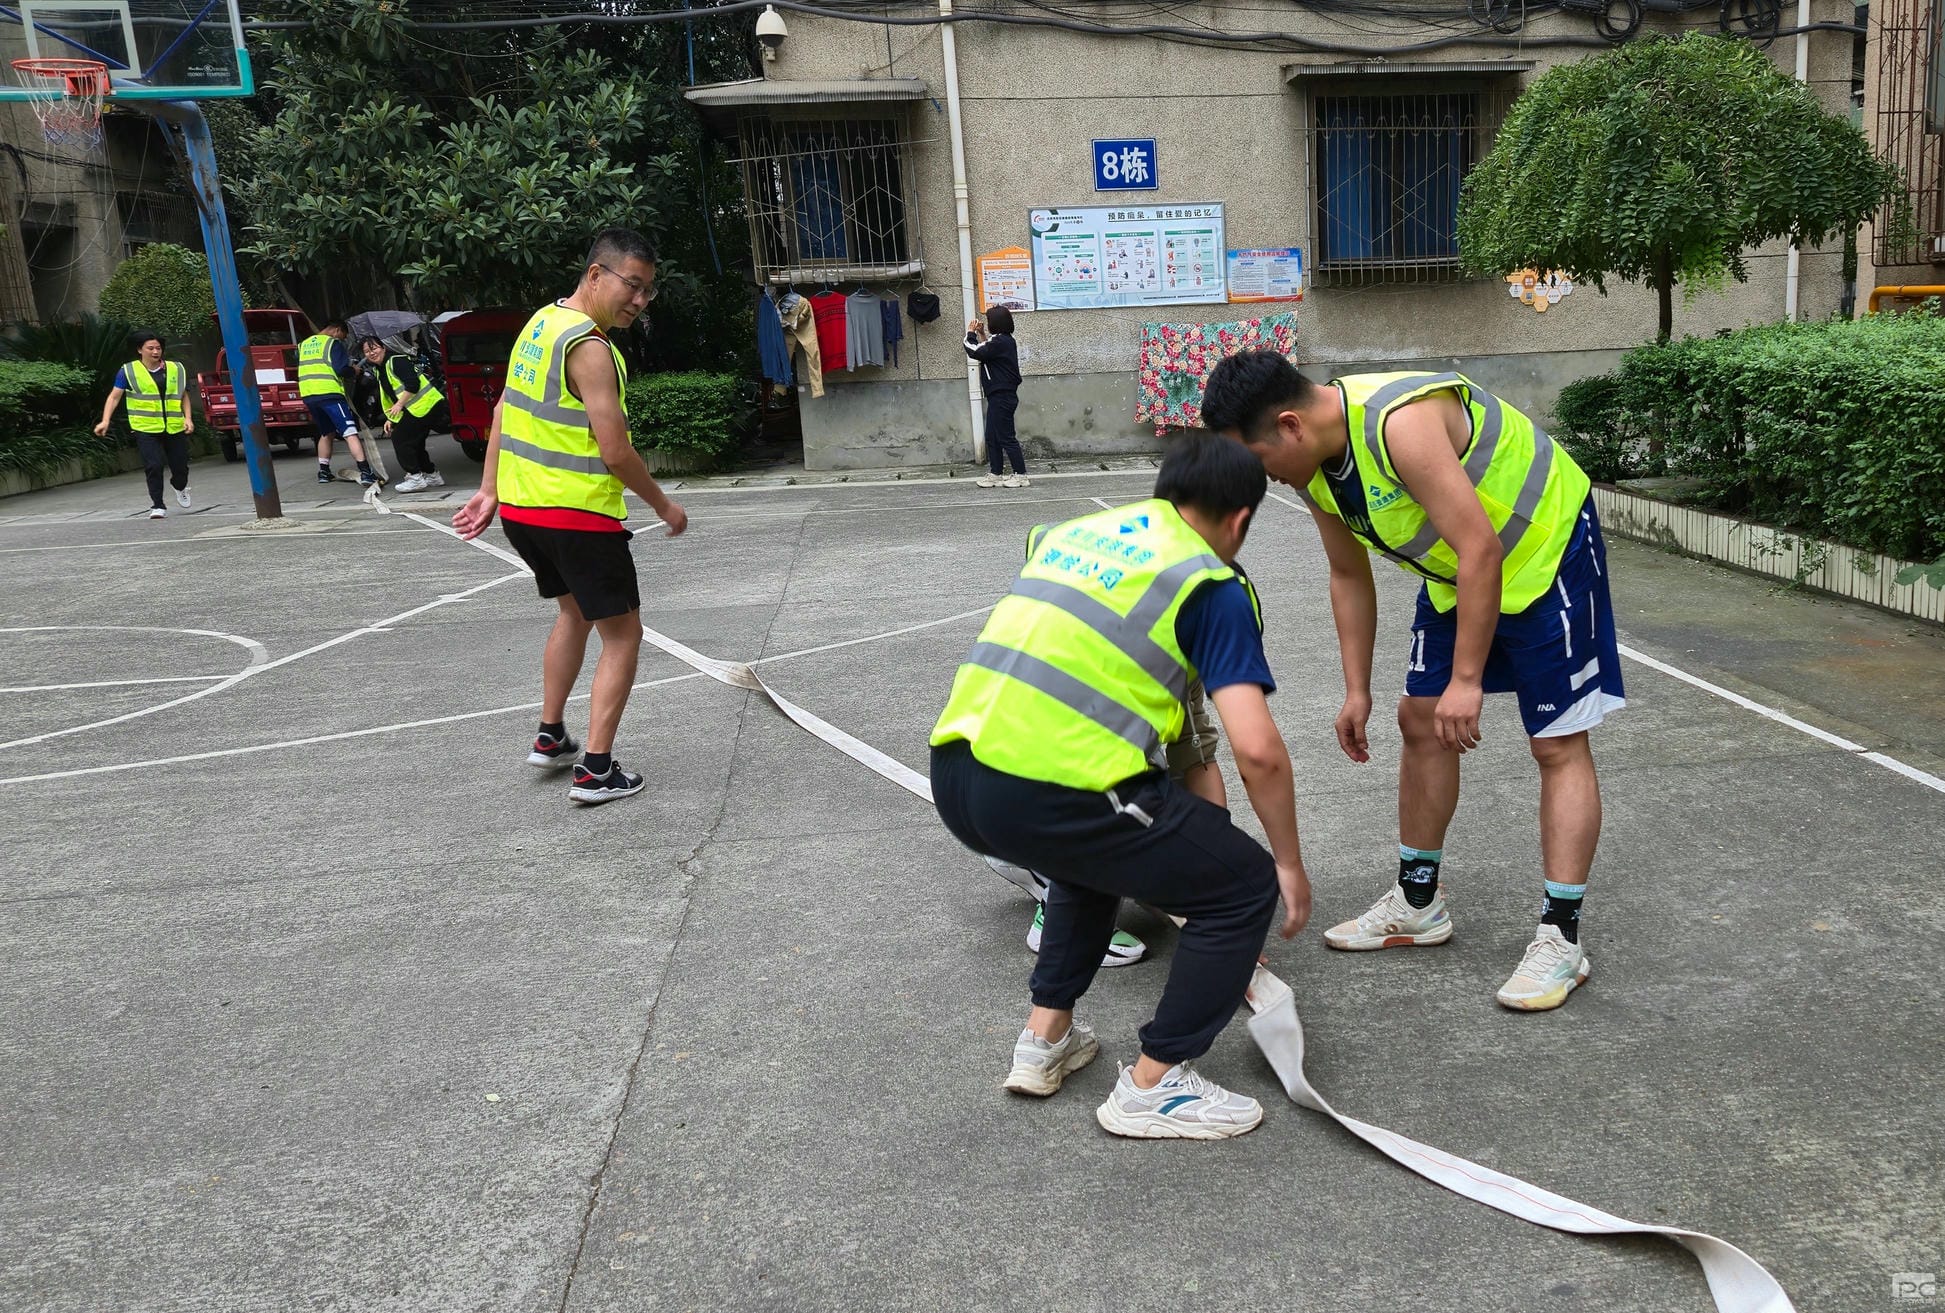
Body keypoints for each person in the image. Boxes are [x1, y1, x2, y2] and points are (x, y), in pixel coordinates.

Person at [1200, 352, 1624, 1012]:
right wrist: (1356, 689)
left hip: (1545, 551)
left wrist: (1465, 680)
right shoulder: (1315, 473)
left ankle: (1560, 936)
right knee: (1417, 719)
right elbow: (1347, 574)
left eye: (1255, 462)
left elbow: (1483, 546)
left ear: (1288, 425)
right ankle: (1418, 901)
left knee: (1555, 743)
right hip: (1461, 570)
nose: (1257, 482)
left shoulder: (1399, 422)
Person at [930, 435, 1313, 1140]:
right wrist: (1284, 864)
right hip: (1055, 788)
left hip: (958, 772)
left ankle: (1044, 1040)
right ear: (1240, 520)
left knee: (1095, 856)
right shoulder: (1210, 583)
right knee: (1244, 884)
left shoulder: (1069, 532)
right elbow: (1257, 749)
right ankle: (1155, 1082)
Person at [452, 228, 689, 806]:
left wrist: (490, 488)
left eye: (648, 290)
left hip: (525, 512)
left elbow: (506, 407)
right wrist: (663, 505)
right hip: (578, 516)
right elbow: (615, 451)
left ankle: (551, 733)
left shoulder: (541, 324)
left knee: (572, 613)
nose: (639, 299)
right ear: (595, 275)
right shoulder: (590, 347)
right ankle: (597, 769)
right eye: (632, 285)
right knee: (624, 634)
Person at [96, 331, 193, 519]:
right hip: (145, 427)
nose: (156, 351)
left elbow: (183, 396)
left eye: (158, 348)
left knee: (180, 467)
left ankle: (179, 486)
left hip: (174, 425)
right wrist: (105, 420)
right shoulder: (128, 371)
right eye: (151, 348)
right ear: (140, 350)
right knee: (153, 465)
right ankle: (157, 505)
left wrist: (187, 418)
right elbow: (115, 396)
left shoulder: (176, 369)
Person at [360, 336, 447, 493]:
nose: (371, 353)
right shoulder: (380, 369)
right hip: (420, 408)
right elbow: (391, 397)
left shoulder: (396, 361)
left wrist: (399, 405)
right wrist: (390, 419)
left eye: (374, 348)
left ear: (383, 347)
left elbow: (413, 384)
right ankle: (432, 475)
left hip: (427, 406)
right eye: (367, 351)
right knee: (415, 442)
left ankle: (415, 477)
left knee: (400, 438)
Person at [297, 319, 378, 487]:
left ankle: (324, 471)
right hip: (329, 393)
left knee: (327, 433)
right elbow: (340, 369)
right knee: (350, 431)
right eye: (342, 336)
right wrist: (353, 371)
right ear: (336, 330)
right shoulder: (333, 344)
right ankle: (365, 471)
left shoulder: (302, 345)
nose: (342, 339)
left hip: (309, 394)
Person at [965, 308, 1027, 489]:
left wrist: (971, 333)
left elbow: (975, 351)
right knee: (992, 436)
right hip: (999, 396)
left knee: (1006, 437)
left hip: (1002, 396)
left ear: (996, 323)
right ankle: (996, 473)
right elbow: (988, 352)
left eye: (989, 320)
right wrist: (982, 334)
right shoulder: (1003, 341)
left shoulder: (1000, 341)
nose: (987, 322)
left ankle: (1021, 475)